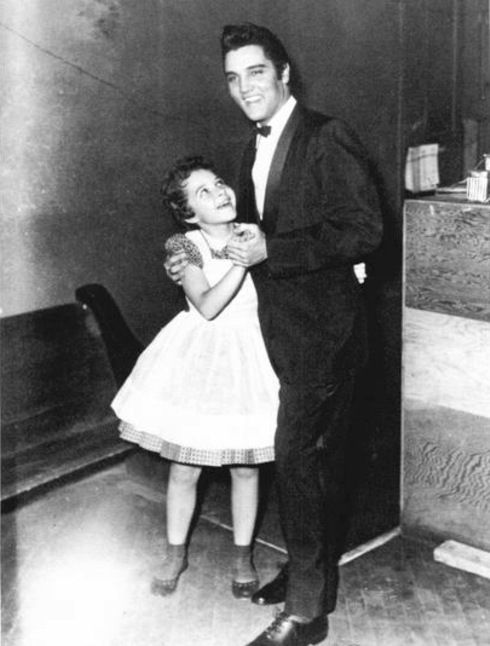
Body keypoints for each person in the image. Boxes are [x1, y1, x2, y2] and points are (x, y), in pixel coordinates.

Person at [166, 23, 382, 646]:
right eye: (233, 78)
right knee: (313, 461)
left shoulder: (326, 135)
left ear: (284, 74)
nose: (244, 88)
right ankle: (304, 571)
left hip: (327, 333)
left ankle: (308, 613)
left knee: (296, 457)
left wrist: (273, 248)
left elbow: (365, 230)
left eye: (255, 72)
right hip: (283, 331)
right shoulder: (247, 149)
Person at [111, 155, 279, 601]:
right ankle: (174, 551)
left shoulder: (256, 233)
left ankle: (243, 555)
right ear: (189, 213)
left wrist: (258, 249)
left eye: (220, 183)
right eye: (204, 192)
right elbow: (206, 305)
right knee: (185, 467)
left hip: (251, 354)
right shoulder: (183, 246)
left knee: (246, 466)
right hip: (201, 358)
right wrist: (243, 263)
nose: (221, 192)